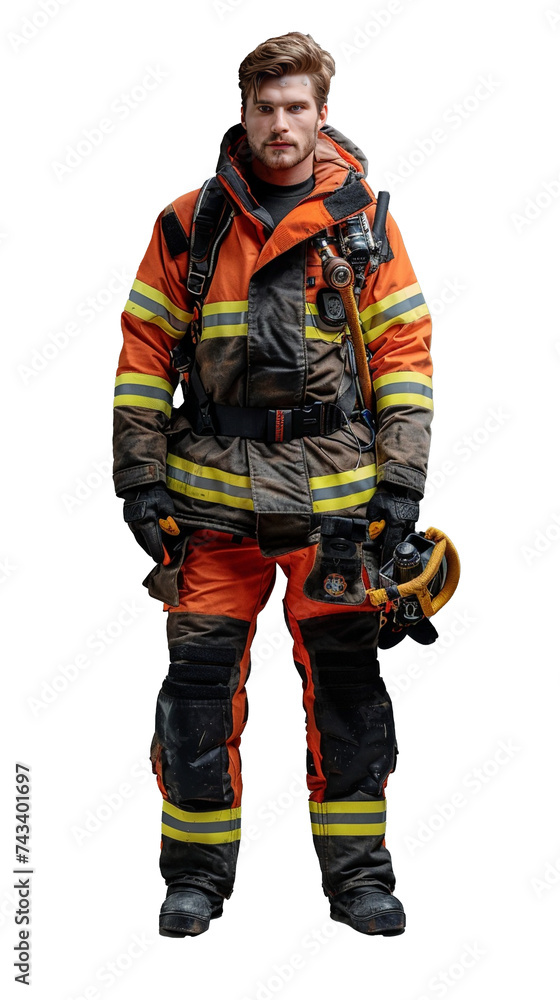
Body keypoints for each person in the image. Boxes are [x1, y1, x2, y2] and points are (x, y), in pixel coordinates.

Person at [112, 30, 433, 938]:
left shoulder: (363, 224)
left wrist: (401, 486)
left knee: (347, 694)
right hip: (211, 510)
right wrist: (139, 484)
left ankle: (361, 880)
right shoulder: (189, 225)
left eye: (298, 107)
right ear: (243, 112)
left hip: (336, 512)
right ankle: (196, 879)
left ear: (322, 114)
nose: (281, 124)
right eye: (266, 108)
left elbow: (405, 355)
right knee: (198, 697)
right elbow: (144, 361)